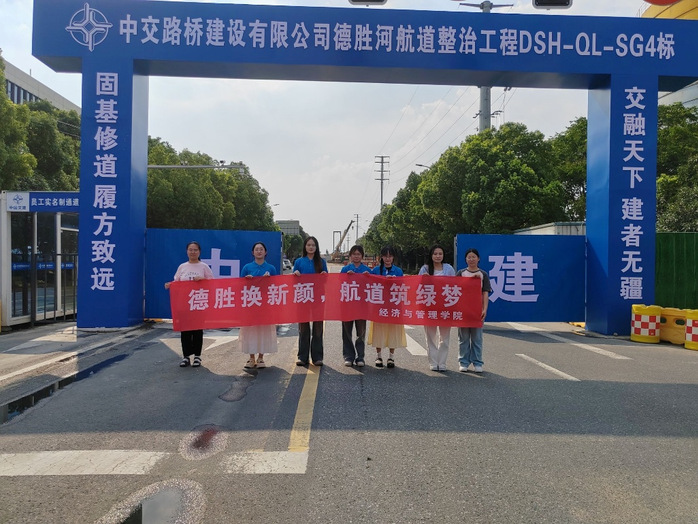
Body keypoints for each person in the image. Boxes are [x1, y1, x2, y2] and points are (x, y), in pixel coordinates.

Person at [164, 241, 214, 368]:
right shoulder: (182, 267)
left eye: (195, 250)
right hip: (184, 303)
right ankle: (186, 356)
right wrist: (170, 285)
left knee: (197, 330)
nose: (193, 252)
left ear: (199, 252)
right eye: (190, 250)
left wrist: (203, 280)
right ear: (187, 252)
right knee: (185, 330)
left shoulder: (204, 267)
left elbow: (213, 283)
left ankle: (197, 356)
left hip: (198, 303)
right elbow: (176, 282)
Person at [239, 242, 278, 369]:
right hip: (251, 304)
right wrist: (246, 280)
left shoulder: (271, 268)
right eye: (257, 249)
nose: (259, 251)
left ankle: (261, 357)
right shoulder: (247, 267)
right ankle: (251, 358)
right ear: (253, 252)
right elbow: (240, 286)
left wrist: (269, 280)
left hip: (265, 305)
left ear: (265, 252)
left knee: (263, 331)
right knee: (250, 331)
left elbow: (277, 286)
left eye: (261, 249)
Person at [418, 244, 456, 372]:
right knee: (430, 336)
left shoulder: (449, 269)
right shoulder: (425, 269)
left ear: (443, 255)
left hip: (445, 307)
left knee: (444, 338)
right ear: (431, 255)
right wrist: (423, 279)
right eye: (435, 254)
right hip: (430, 307)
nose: (438, 256)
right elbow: (418, 286)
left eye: (440, 254)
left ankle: (442, 362)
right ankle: (433, 362)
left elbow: (455, 286)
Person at [368, 246, 406, 369]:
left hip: (393, 305)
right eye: (385, 256)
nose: (387, 259)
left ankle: (391, 357)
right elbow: (369, 284)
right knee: (378, 331)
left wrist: (395, 281)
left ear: (393, 257)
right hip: (379, 306)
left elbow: (403, 287)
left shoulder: (398, 271)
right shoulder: (376, 270)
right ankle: (378, 356)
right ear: (381, 257)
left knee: (393, 331)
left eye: (390, 256)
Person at [293, 236, 328, 366]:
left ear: (316, 247)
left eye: (313, 245)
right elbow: (293, 279)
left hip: (318, 299)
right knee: (303, 329)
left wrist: (324, 275)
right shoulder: (298, 262)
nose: (311, 247)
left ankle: (317, 357)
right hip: (303, 298)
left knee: (318, 329)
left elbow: (326, 279)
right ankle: (302, 357)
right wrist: (295, 274)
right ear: (305, 247)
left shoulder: (321, 262)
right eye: (308, 245)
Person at [456, 248, 492, 373]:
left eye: (473, 257)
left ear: (478, 258)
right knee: (463, 338)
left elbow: (485, 293)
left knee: (477, 338)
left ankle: (477, 362)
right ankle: (463, 362)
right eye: (469, 257)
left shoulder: (483, 274)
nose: (471, 259)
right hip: (463, 311)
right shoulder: (461, 273)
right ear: (465, 259)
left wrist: (484, 309)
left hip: (477, 311)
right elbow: (455, 290)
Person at [340, 245, 371, 367]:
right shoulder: (345, 269)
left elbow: (373, 287)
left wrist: (368, 278)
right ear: (350, 256)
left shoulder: (367, 270)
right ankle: (348, 357)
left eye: (358, 254)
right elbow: (338, 285)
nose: (356, 256)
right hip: (347, 306)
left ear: (362, 256)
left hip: (362, 307)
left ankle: (360, 357)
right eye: (354, 254)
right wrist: (346, 277)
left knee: (361, 333)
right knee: (346, 333)